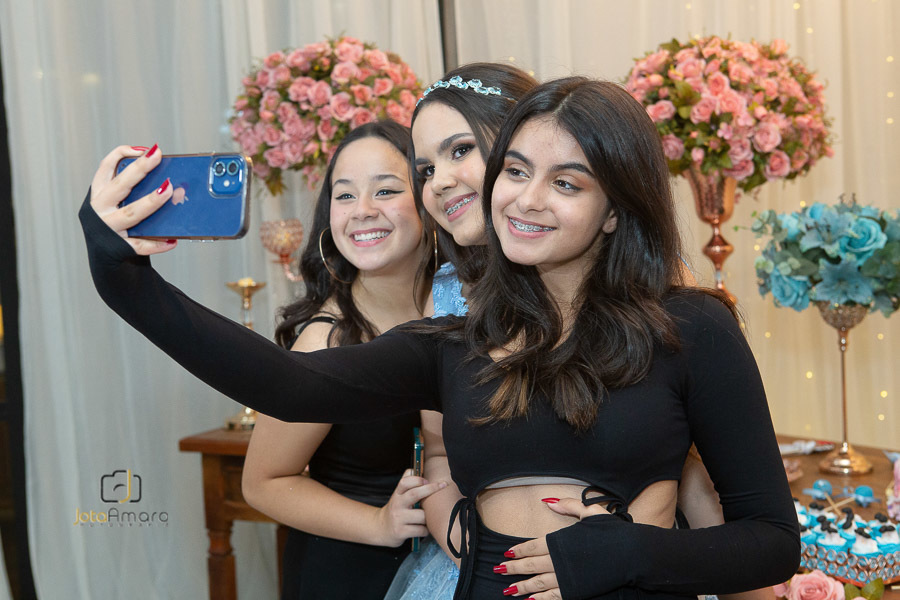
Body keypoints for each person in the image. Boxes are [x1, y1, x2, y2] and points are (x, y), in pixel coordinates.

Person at [80, 76, 799, 599]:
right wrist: (125, 278)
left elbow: (770, 540)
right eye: (516, 171)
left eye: (567, 183)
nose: (526, 199)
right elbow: (288, 386)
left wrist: (633, 553)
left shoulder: (693, 327)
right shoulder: (455, 341)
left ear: (615, 210)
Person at [391, 64, 778, 600]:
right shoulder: (444, 297)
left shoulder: (660, 295)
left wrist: (633, 547)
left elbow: (692, 463)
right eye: (426, 168)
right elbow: (438, 452)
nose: (441, 180)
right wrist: (475, 545)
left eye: (461, 151)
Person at [239, 121, 447, 599]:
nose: (363, 211)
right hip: (350, 571)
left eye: (386, 190)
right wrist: (379, 523)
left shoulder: (459, 305)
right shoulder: (327, 341)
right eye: (345, 195)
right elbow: (263, 482)